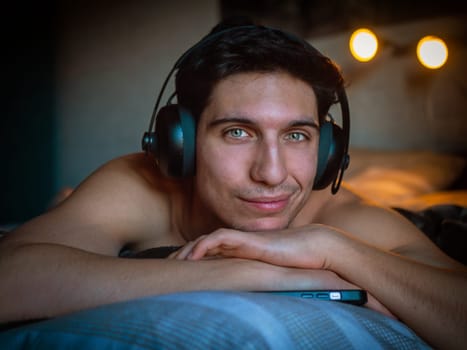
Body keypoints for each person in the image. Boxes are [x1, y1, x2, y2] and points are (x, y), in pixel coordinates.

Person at [0, 18, 466, 349]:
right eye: (237, 132)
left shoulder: (338, 216)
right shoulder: (140, 182)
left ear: (327, 152)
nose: (272, 173)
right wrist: (244, 273)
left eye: (297, 135)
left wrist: (332, 250)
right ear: (179, 142)